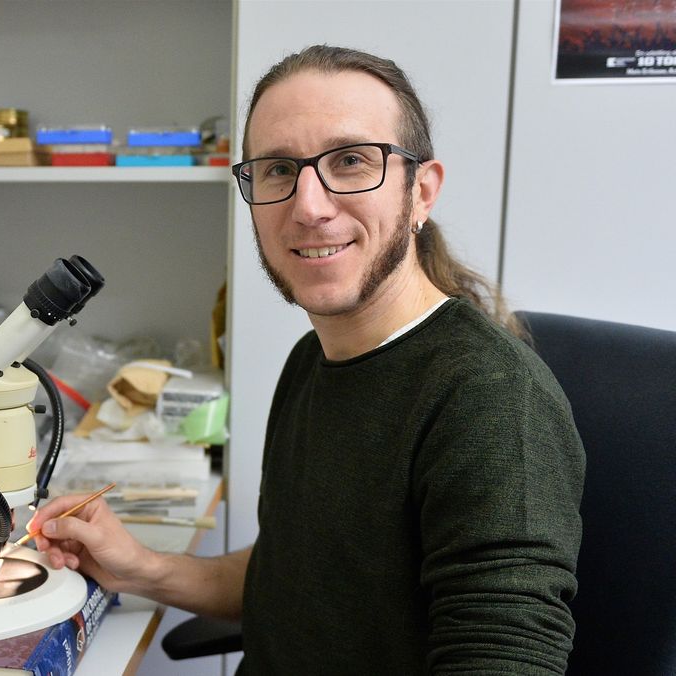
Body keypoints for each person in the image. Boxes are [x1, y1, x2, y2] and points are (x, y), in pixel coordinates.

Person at [29, 45, 585, 674]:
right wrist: (141, 568)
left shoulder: (490, 400)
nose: (310, 206)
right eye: (277, 169)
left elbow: (505, 658)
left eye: (350, 161)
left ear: (421, 192)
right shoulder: (313, 359)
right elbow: (292, 580)